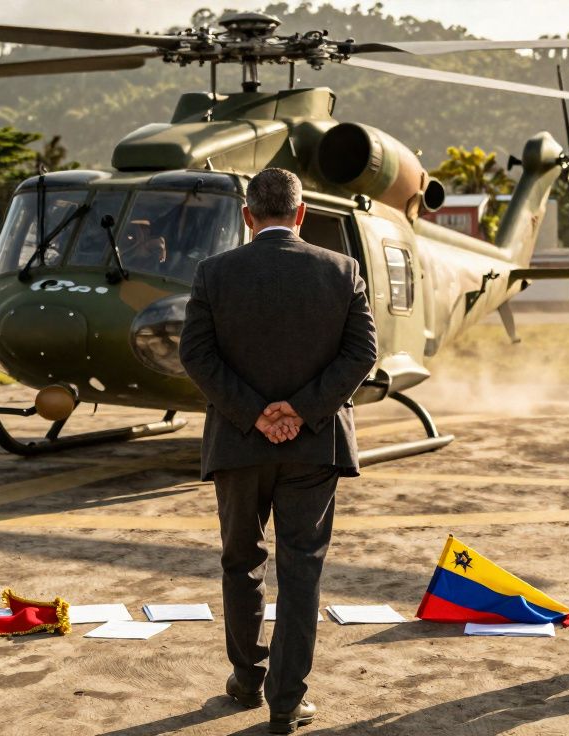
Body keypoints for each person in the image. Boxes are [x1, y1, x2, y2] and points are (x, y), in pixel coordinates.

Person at [179, 168, 377, 733]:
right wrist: (302, 411)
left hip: (238, 444)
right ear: (301, 214)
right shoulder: (341, 271)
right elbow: (362, 353)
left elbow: (196, 356)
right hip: (314, 448)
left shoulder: (213, 273)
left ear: (247, 216)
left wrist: (255, 413)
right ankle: (286, 702)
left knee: (241, 562)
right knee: (301, 569)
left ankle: (247, 679)